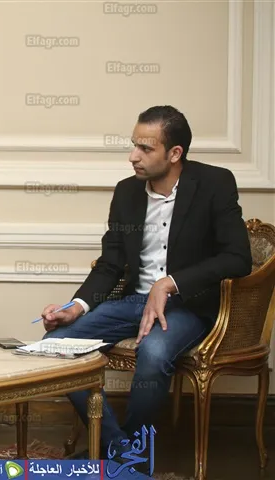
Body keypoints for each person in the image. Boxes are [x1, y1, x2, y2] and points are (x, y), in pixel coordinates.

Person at [40, 105, 252, 462]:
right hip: (133, 302)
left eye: (145, 148)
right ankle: (122, 452)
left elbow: (238, 258)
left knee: (153, 354)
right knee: (54, 346)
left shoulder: (214, 184)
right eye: (133, 145)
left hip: (188, 306)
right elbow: (110, 264)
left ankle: (127, 455)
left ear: (174, 153)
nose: (132, 156)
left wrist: (170, 283)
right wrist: (76, 307)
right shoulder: (127, 192)